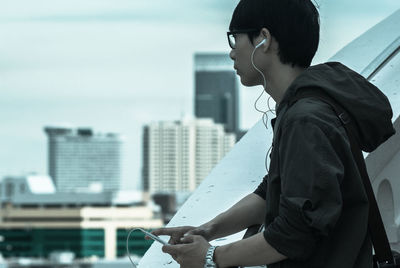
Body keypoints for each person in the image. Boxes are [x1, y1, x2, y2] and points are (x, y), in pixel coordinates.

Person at [151, 0, 395, 267]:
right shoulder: (309, 106)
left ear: (263, 40)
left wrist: (211, 257)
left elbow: (294, 233)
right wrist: (206, 231)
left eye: (235, 39)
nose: (232, 53)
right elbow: (271, 194)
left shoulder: (306, 120)